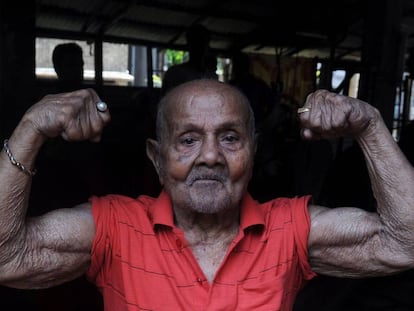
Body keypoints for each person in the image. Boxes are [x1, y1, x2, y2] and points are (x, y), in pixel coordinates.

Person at [0, 79, 414, 310]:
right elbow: (7, 257)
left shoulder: (289, 229)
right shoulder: (115, 228)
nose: (211, 156)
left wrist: (370, 126)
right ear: (157, 159)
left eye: (230, 138)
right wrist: (30, 130)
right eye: (188, 140)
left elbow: (405, 242)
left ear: (253, 153)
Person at [161, 24, 218, 94]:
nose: (200, 47)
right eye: (196, 43)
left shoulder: (211, 76)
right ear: (189, 45)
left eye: (202, 43)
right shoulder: (176, 73)